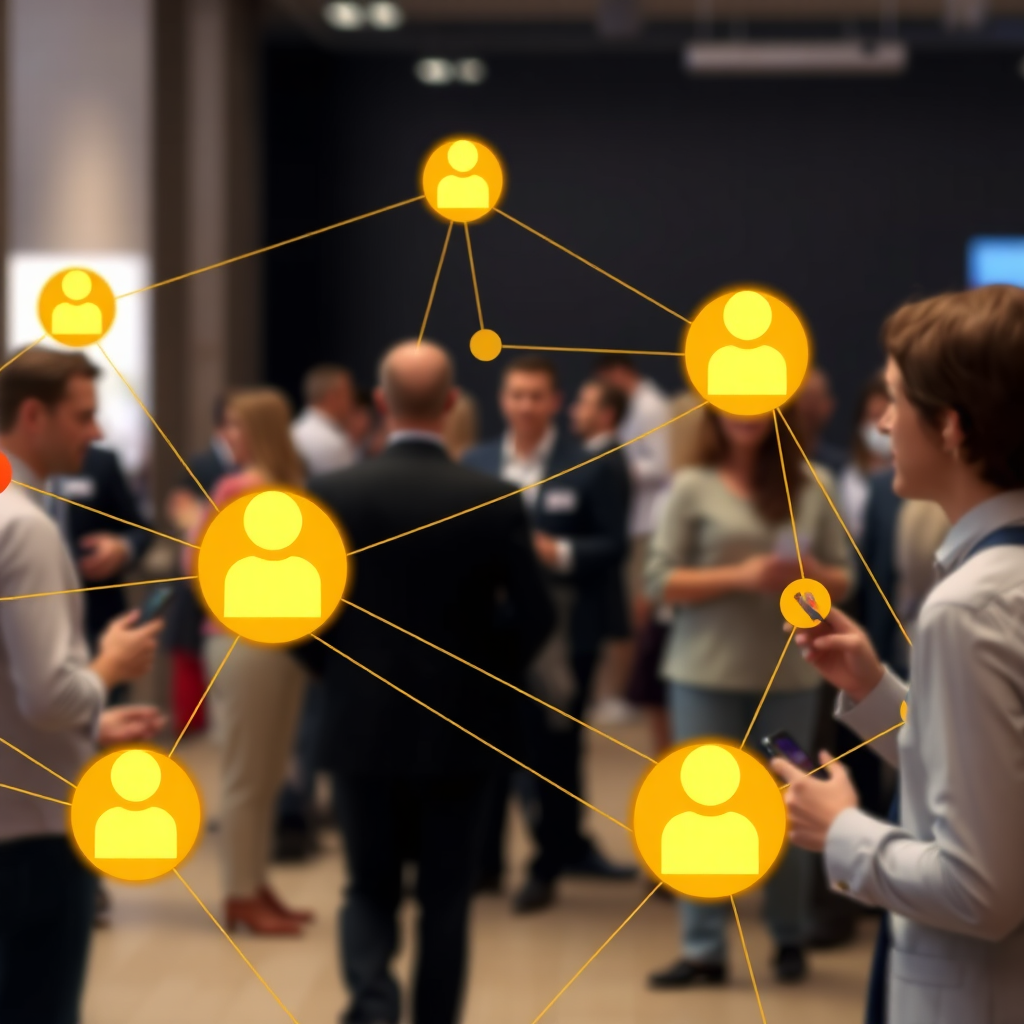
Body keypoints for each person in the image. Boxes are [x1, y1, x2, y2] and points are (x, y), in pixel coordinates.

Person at [775, 285, 1024, 1024]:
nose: (881, 423)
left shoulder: (969, 608)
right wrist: (879, 692)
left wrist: (841, 829)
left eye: (893, 400)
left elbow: (980, 890)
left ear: (950, 426)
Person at [311, 340, 553, 1024]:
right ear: (451, 406)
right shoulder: (493, 498)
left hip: (358, 720)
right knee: (447, 898)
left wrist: (336, 673)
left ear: (380, 404)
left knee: (367, 886)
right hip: (462, 725)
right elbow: (535, 617)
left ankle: (372, 1000)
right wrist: (484, 676)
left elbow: (298, 613)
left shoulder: (332, 493)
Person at [645, 405, 852, 986]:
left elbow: (846, 578)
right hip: (702, 675)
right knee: (700, 815)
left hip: (790, 677)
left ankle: (790, 936)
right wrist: (743, 576)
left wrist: (810, 574)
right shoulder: (691, 486)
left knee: (789, 808)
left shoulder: (816, 484)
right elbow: (659, 581)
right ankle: (702, 947)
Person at [0, 348, 164, 1024]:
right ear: (32, 415)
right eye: (83, 415)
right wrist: (108, 669)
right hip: (34, 833)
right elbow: (45, 696)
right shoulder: (26, 527)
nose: (95, 432)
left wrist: (90, 720)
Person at [465, 357, 635, 913]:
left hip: (565, 635)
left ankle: (548, 863)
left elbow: (613, 546)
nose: (526, 405)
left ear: (556, 402)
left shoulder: (591, 465)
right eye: (517, 395)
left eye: (537, 396)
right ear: (502, 400)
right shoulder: (477, 462)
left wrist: (553, 551)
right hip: (490, 631)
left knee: (552, 752)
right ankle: (483, 865)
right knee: (484, 747)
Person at [192, 387, 312, 934]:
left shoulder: (285, 486)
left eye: (238, 427)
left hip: (282, 641)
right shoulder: (235, 488)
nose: (229, 436)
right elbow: (197, 566)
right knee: (248, 772)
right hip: (244, 639)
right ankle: (240, 892)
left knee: (267, 771)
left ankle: (255, 882)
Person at [838, 373, 893, 543]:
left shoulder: (912, 475)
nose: (880, 426)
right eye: (873, 417)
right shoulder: (848, 477)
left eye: (884, 415)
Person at [290, 363, 359, 476]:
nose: (353, 399)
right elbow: (344, 488)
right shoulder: (331, 442)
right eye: (349, 392)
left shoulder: (294, 428)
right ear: (333, 397)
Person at [796, 367, 846, 475]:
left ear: (830, 405)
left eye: (814, 400)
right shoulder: (766, 460)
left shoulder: (842, 468)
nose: (807, 408)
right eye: (803, 398)